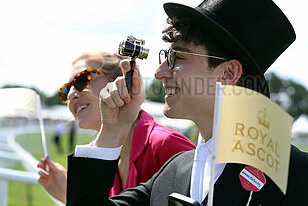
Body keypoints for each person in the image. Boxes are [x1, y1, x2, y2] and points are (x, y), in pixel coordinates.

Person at [66, 0, 308, 205]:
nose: (159, 73)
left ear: (229, 73)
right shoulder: (172, 171)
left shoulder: (294, 174)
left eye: (177, 58)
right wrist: (112, 130)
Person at [37, 51, 195, 204]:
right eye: (66, 90)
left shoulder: (165, 144)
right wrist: (70, 195)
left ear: (122, 80)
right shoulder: (107, 157)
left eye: (82, 80)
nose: (72, 94)